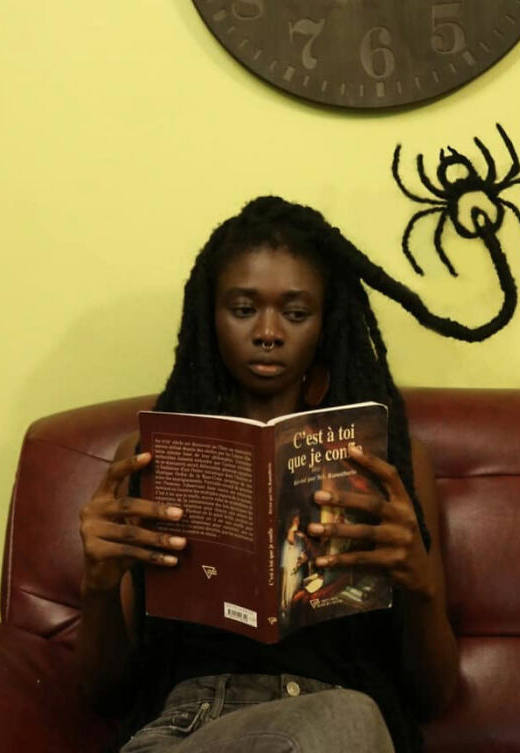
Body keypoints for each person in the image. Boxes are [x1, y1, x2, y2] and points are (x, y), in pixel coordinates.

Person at [77, 196, 459, 752]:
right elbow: (103, 695)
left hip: (342, 729)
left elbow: (434, 697)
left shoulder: (391, 460)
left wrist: (419, 584)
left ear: (326, 323)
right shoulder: (146, 455)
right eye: (242, 308)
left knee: (348, 719)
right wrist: (97, 586)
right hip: (189, 729)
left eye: (296, 313)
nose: (268, 333)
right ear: (209, 317)